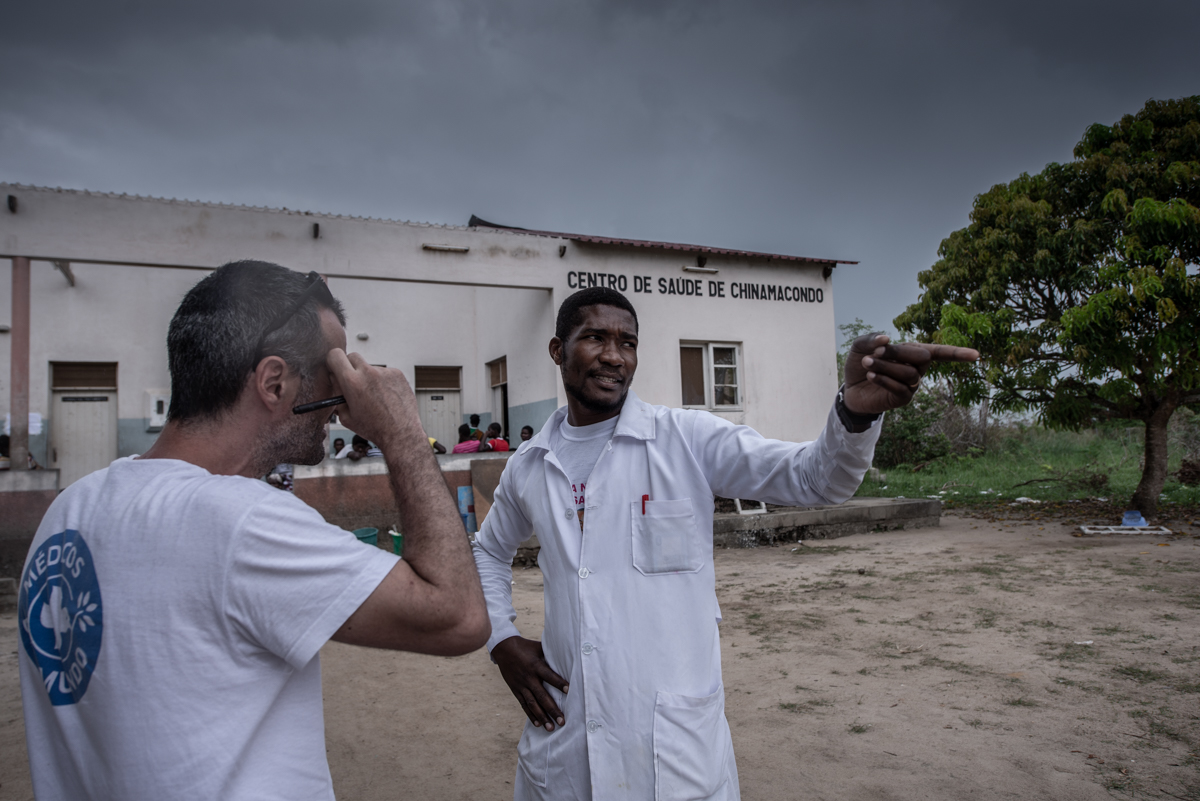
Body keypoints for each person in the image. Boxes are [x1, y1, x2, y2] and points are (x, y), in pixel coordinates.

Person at [473, 286, 977, 801]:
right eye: (594, 338)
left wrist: (854, 414)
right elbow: (487, 551)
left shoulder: (685, 439)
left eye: (628, 342)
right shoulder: (529, 466)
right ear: (558, 351)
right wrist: (501, 640)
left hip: (673, 754)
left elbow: (815, 480)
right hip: (565, 750)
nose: (613, 356)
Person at [17, 261, 489, 800]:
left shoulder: (69, 511)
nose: (341, 404)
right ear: (274, 382)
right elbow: (459, 617)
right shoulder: (240, 521)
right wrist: (402, 428)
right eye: (333, 379)